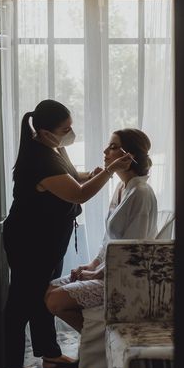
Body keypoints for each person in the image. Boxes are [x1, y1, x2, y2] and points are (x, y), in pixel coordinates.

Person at [2, 100, 133, 368]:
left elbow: (73, 179)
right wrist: (110, 173)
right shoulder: (39, 158)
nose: (71, 132)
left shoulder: (54, 149)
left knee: (40, 293)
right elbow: (78, 194)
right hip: (29, 240)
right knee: (22, 300)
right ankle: (10, 362)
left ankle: (50, 354)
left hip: (48, 238)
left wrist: (94, 174)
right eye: (66, 128)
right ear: (47, 131)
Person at [44, 128, 158, 332]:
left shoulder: (140, 193)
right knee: (50, 288)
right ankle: (96, 339)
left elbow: (130, 251)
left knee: (54, 300)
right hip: (108, 268)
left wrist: (96, 274)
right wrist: (92, 264)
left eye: (113, 147)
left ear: (129, 156)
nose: (105, 151)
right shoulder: (122, 188)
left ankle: (102, 341)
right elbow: (108, 239)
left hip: (125, 277)